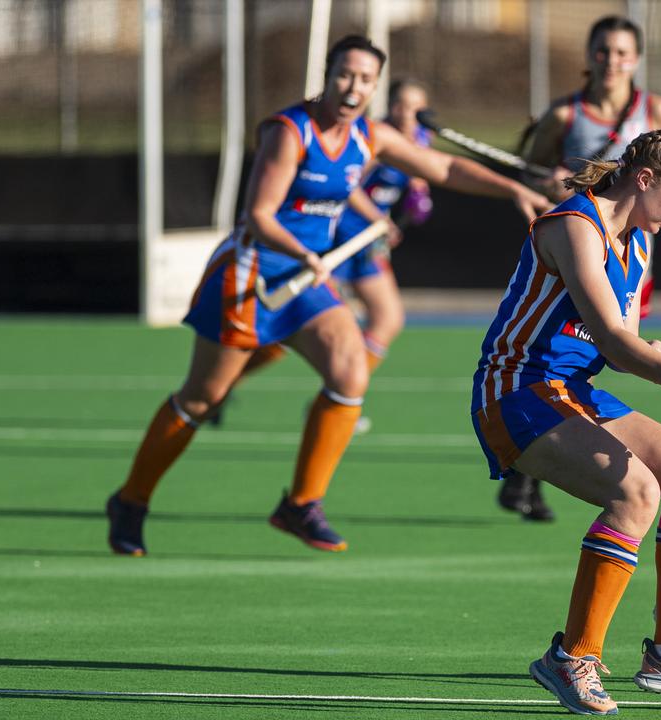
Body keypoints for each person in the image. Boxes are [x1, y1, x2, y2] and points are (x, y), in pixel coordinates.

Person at [105, 35, 549, 556]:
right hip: (252, 275)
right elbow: (259, 215)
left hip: (307, 281)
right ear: (327, 74)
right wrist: (305, 252)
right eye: (345, 74)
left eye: (365, 79)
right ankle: (131, 500)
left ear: (374, 87)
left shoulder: (369, 135)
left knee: (349, 370)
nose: (353, 87)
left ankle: (300, 504)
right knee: (201, 398)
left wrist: (513, 189)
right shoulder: (289, 132)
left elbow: (444, 169)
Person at [472, 128, 661, 714]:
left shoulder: (640, 242)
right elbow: (613, 340)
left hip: (574, 391)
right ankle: (571, 657)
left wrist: (657, 360)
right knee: (636, 492)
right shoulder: (575, 227)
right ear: (644, 179)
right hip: (515, 391)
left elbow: (624, 339)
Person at [502, 14, 661, 521]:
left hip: (631, 251)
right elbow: (532, 177)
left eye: (622, 53)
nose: (612, 61)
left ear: (637, 59)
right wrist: (554, 181)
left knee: (612, 344)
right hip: (583, 243)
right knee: (574, 336)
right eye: (603, 51)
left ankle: (557, 441)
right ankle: (533, 460)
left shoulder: (658, 110)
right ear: (590, 57)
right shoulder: (565, 116)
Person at [216, 78, 438, 432]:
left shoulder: (423, 142)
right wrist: (376, 217)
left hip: (367, 242)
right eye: (400, 105)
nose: (407, 115)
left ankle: (337, 397)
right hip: (338, 238)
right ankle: (229, 383)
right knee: (296, 324)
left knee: (386, 319)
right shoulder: (372, 138)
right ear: (389, 105)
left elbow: (420, 184)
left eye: (415, 108)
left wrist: (415, 196)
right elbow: (345, 187)